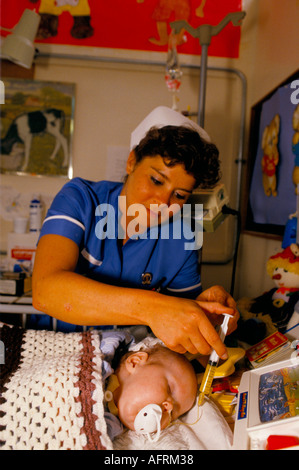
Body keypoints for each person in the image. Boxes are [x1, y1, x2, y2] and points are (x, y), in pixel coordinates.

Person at [32, 106, 239, 358]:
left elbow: (183, 326)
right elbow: (46, 291)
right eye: (156, 180)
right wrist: (154, 309)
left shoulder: (182, 236)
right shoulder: (81, 199)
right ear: (132, 162)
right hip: (55, 352)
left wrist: (205, 313)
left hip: (128, 366)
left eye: (180, 195)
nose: (163, 202)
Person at [101, 331, 198, 440]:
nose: (169, 408)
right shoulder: (100, 359)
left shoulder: (108, 429)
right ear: (134, 362)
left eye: (174, 413)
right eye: (169, 389)